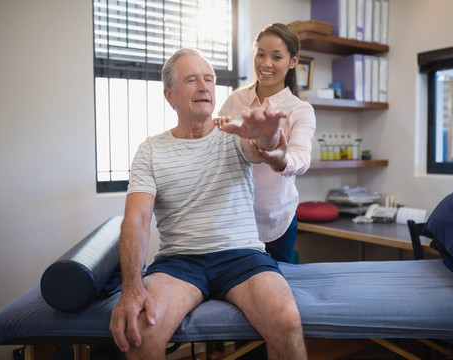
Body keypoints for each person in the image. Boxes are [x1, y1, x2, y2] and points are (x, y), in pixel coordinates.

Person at [109, 48, 307, 360]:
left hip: (242, 257)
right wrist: (131, 288)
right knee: (142, 336)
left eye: (209, 79)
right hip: (179, 263)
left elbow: (259, 147)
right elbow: (136, 221)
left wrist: (268, 138)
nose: (204, 86)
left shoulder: (232, 132)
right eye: (191, 80)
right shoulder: (150, 151)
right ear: (170, 95)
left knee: (286, 322)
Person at [217, 23, 316, 263]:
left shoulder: (300, 110)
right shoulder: (236, 100)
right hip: (234, 217)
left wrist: (281, 159)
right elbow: (217, 151)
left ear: (293, 61)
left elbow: (301, 157)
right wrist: (217, 130)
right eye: (260, 53)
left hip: (277, 220)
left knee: (274, 285)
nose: (266, 63)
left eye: (277, 56)